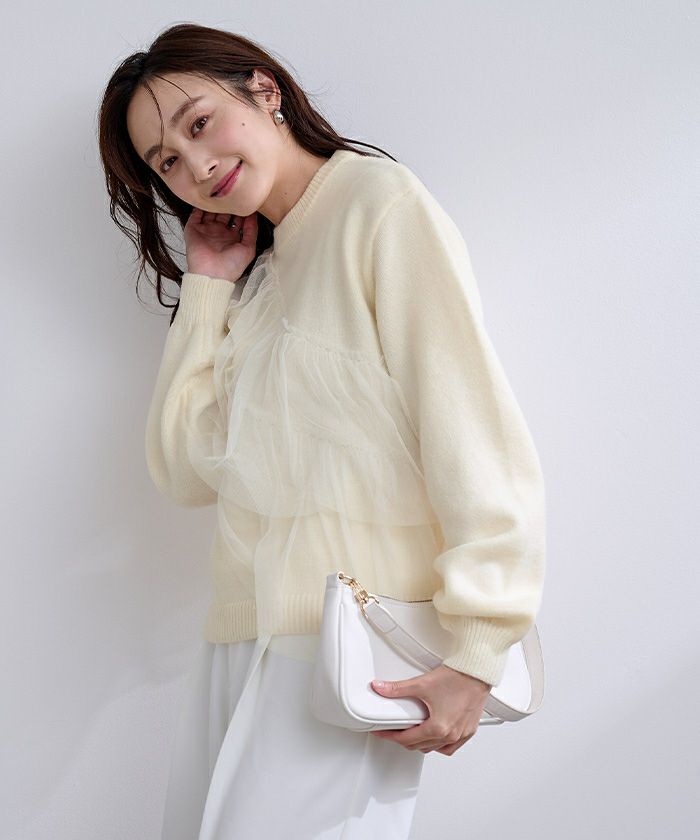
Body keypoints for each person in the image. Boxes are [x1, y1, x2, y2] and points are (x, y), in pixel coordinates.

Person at [98, 21, 546, 840]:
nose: (196, 166)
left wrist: (479, 647)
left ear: (264, 90)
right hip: (241, 641)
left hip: (353, 649)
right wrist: (208, 289)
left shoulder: (378, 205)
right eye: (168, 162)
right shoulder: (258, 273)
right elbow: (184, 470)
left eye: (200, 123)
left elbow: (471, 428)